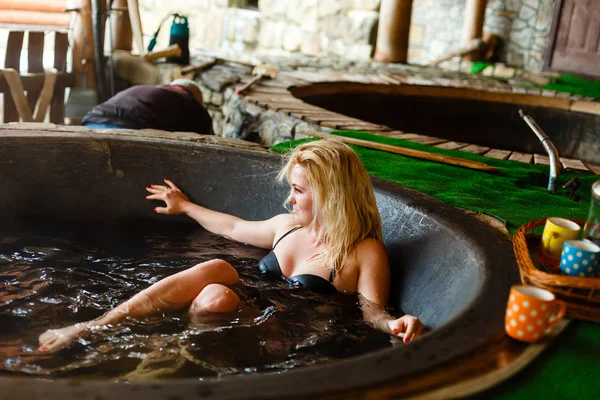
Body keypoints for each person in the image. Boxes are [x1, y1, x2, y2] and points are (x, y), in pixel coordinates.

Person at [38, 139, 424, 352]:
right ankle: (94, 326)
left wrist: (394, 324)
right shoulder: (285, 227)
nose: (289, 200)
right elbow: (233, 227)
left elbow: (372, 312)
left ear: (331, 197)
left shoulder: (362, 252)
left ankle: (176, 352)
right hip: (247, 314)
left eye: (298, 190)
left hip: (288, 336)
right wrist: (185, 206)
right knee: (217, 277)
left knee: (221, 290)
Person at [81, 79, 213, 134]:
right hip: (128, 129)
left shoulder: (145, 89)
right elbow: (208, 143)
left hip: (91, 123)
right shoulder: (191, 104)